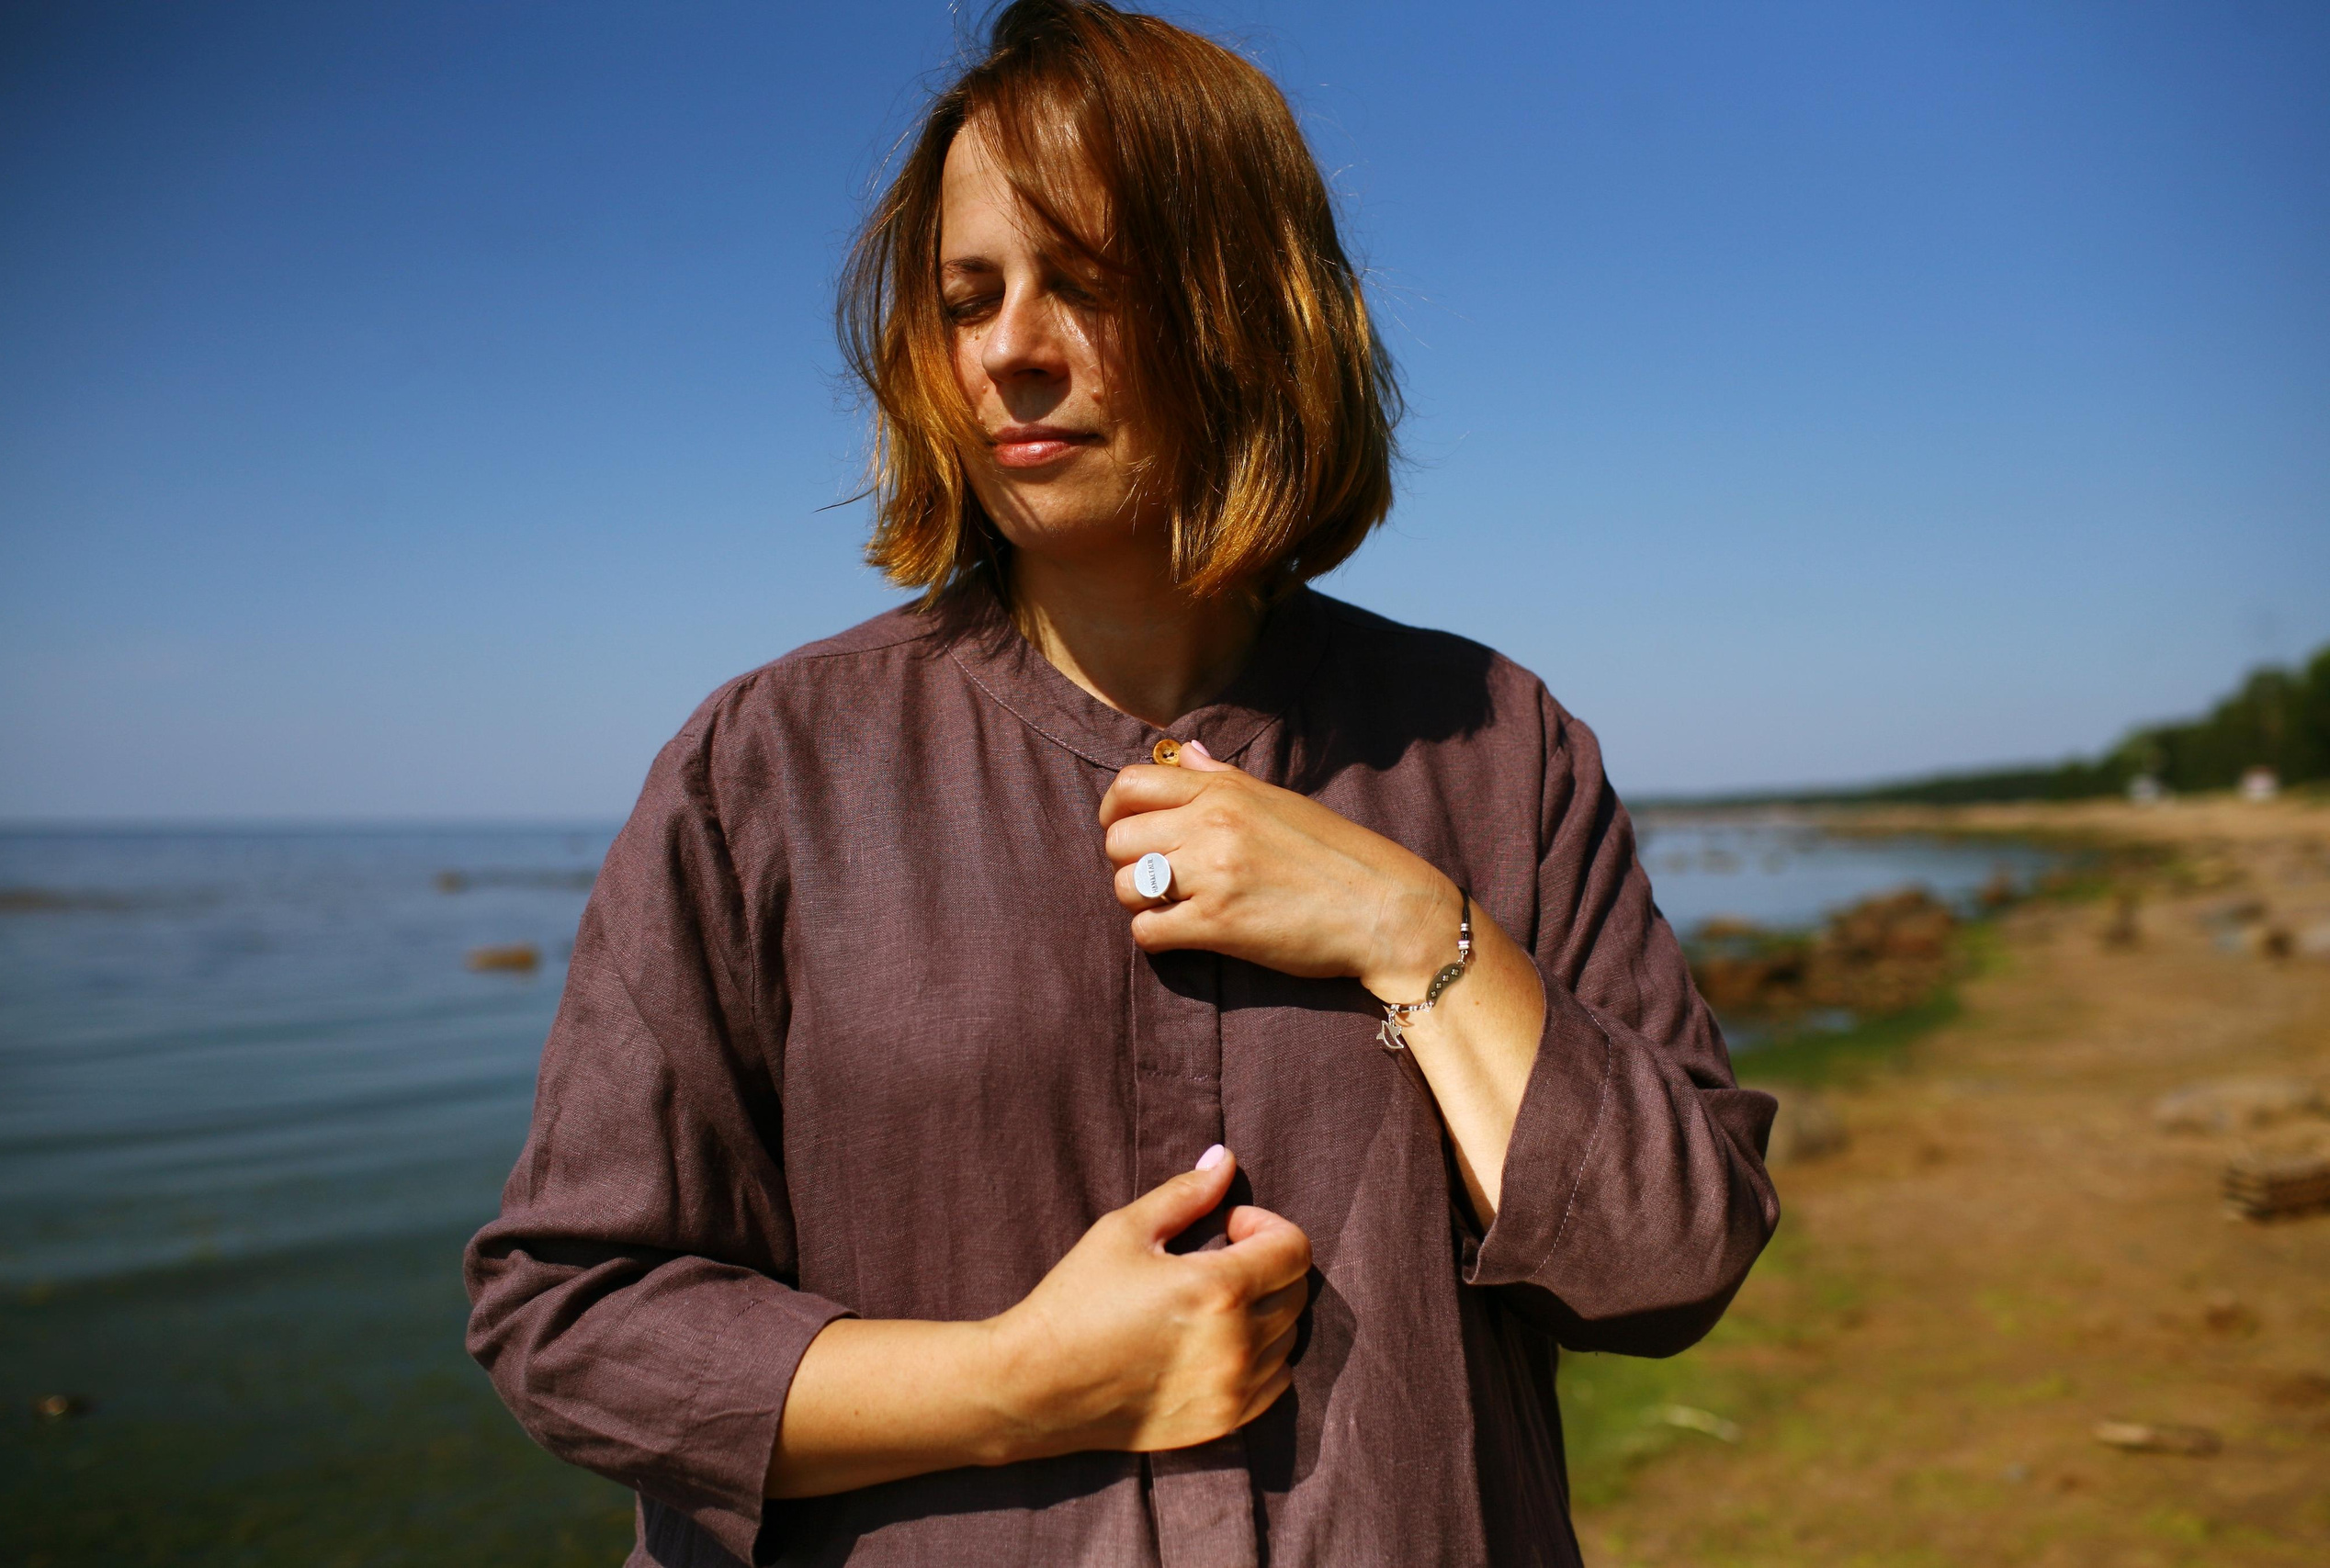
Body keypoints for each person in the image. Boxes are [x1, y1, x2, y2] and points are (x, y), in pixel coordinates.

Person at [464, 4, 1779, 1564]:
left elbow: (1670, 1261)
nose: (1011, 349)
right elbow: (577, 1314)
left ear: (1251, 308)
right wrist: (1019, 1385)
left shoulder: (1493, 740)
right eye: (969, 298)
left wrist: (1409, 927)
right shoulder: (768, 768)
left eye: (1083, 282)